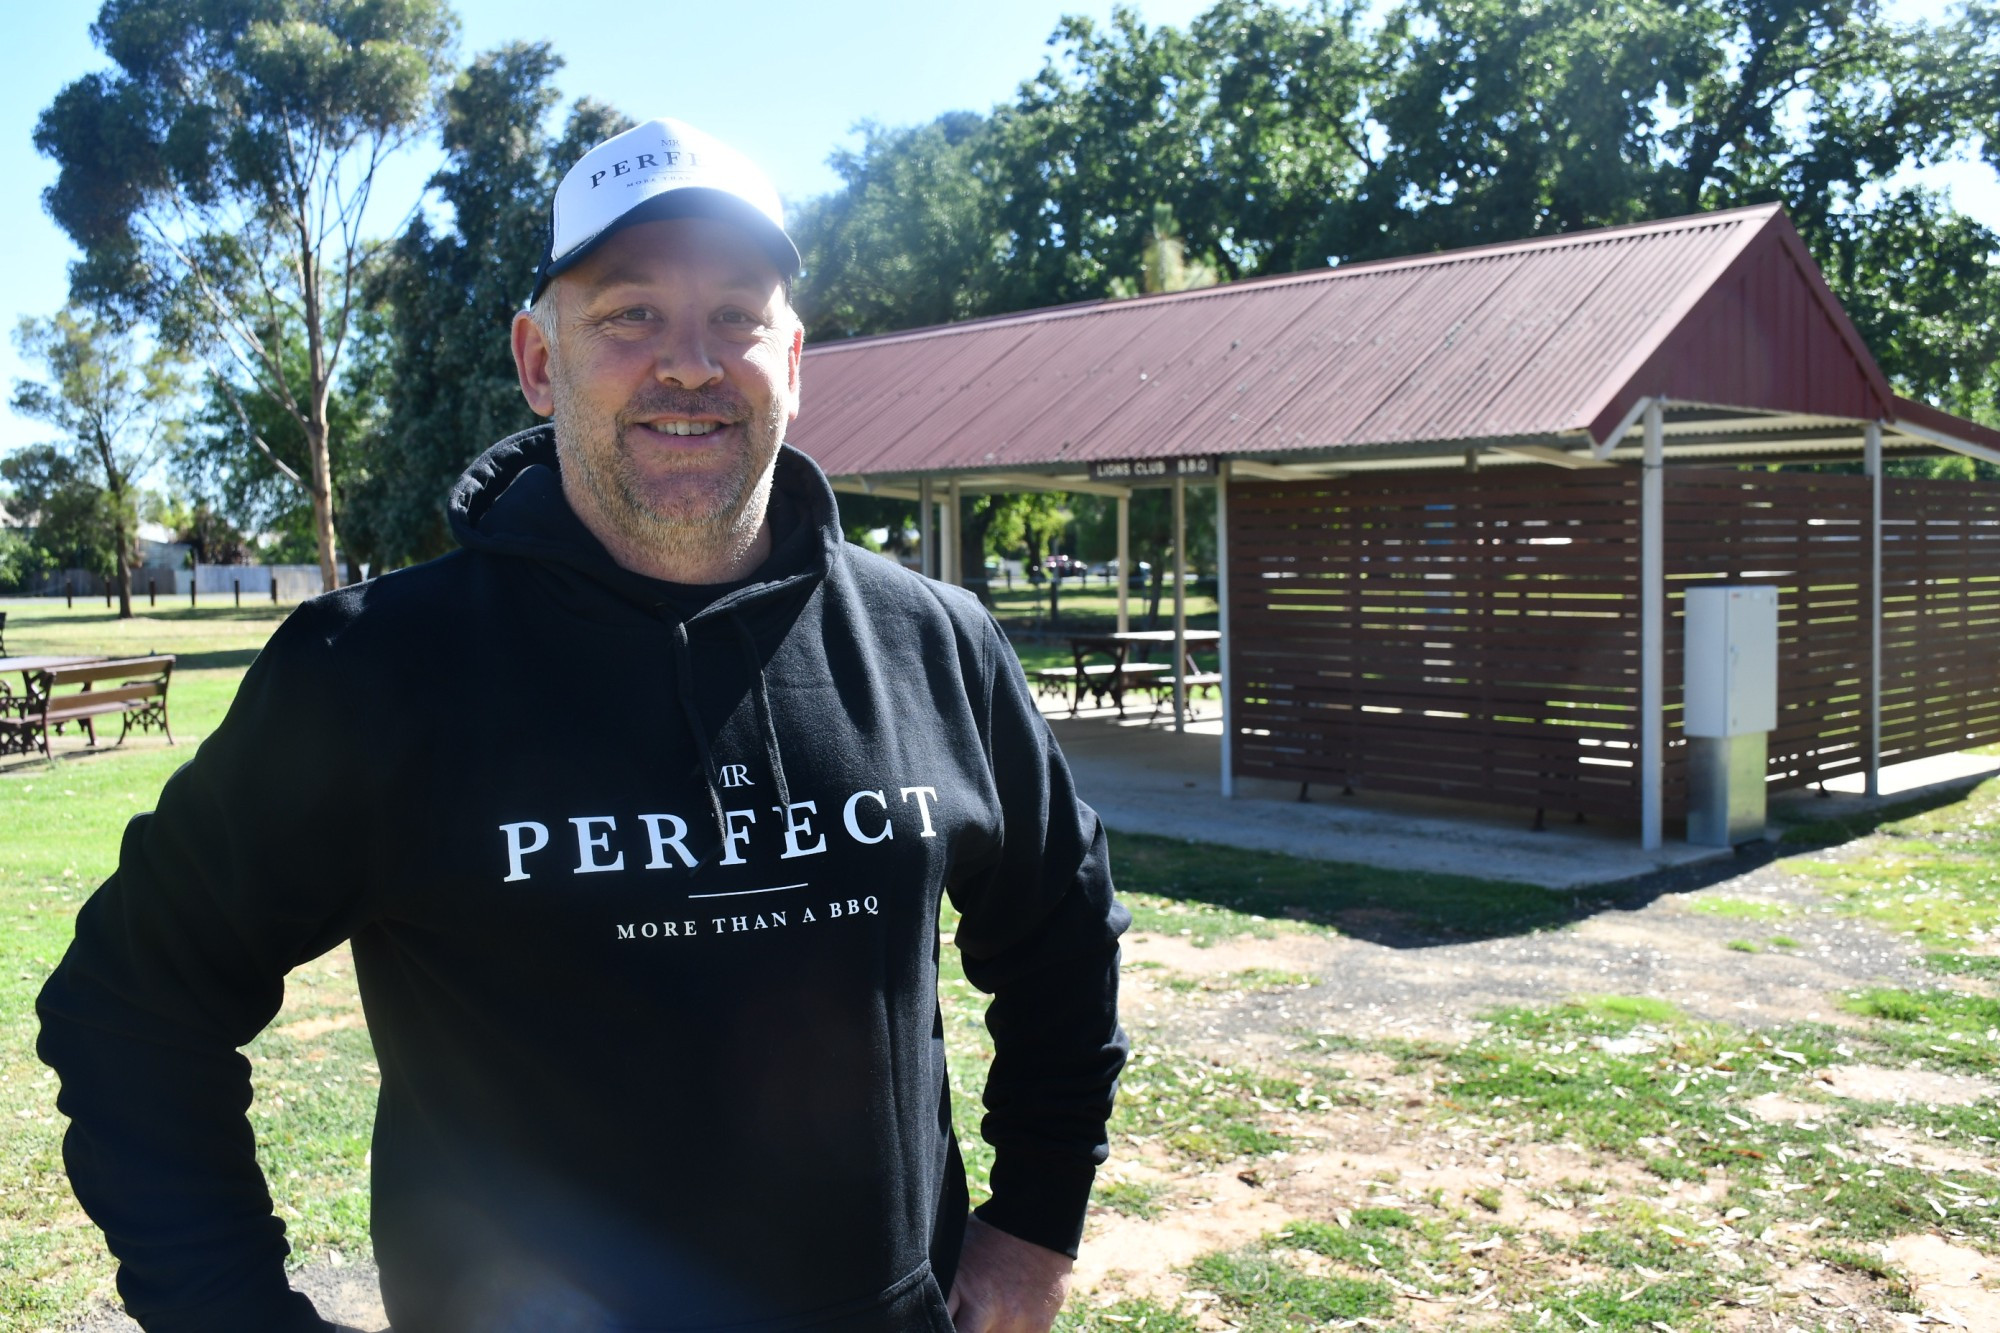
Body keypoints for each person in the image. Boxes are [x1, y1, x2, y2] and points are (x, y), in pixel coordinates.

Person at [36, 117, 1129, 1333]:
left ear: (796, 356)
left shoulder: (936, 643)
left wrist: (1033, 1224)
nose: (689, 363)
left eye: (735, 315)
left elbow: (1062, 932)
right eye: (628, 316)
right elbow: (132, 1000)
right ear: (540, 360)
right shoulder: (373, 671)